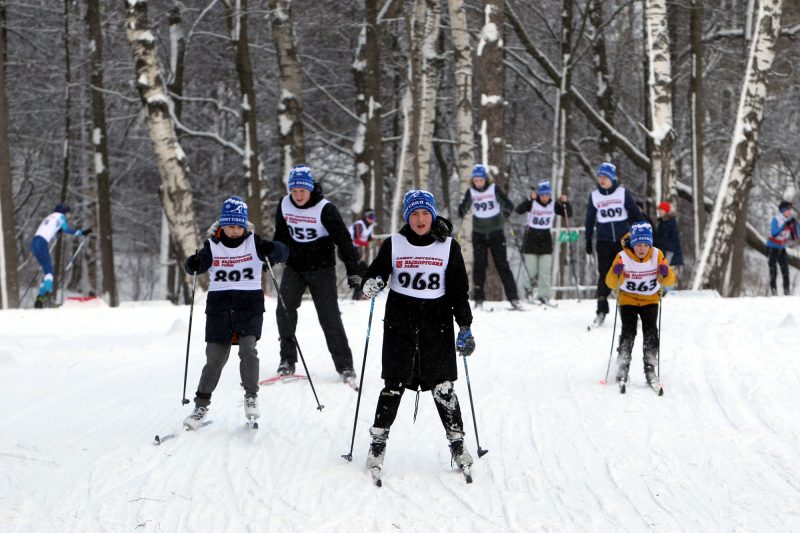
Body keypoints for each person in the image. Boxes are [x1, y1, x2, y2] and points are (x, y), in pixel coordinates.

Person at [360, 189, 475, 480]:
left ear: (433, 215)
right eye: (415, 214)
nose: (420, 219)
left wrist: (465, 326)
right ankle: (378, 442)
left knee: (443, 386)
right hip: (400, 322)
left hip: (436, 323)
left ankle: (457, 442)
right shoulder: (393, 244)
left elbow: (459, 291)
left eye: (425, 213)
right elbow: (375, 274)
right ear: (407, 217)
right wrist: (370, 284)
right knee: (393, 385)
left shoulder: (449, 246)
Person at [182, 196, 289, 430]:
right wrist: (193, 264)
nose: (235, 231)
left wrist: (273, 249)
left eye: (239, 226)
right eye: (230, 226)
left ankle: (251, 395)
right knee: (214, 360)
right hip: (219, 309)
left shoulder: (253, 242)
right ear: (222, 225)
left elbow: (282, 253)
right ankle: (200, 405)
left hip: (249, 307)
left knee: (248, 350)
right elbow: (199, 264)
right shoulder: (212, 245)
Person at [273, 164, 363, 384]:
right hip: (295, 267)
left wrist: (354, 270)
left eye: (302, 191)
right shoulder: (284, 205)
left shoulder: (325, 209)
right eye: (294, 191)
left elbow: (343, 240)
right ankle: (287, 360)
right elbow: (280, 237)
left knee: (329, 316)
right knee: (284, 310)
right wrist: (270, 256)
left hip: (322, 269)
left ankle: (345, 366)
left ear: (310, 188)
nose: (298, 195)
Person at [605, 222, 676, 386]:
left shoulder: (657, 255)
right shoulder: (622, 256)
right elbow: (610, 283)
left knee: (651, 332)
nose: (642, 248)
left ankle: (650, 368)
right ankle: (623, 366)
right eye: (638, 244)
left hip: (650, 299)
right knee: (628, 332)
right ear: (632, 243)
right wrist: (616, 272)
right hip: (628, 299)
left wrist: (666, 273)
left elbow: (670, 280)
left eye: (645, 245)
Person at [585, 162, 643, 327]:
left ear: (611, 178)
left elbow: (636, 214)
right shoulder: (595, 196)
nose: (601, 180)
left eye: (604, 177)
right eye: (600, 177)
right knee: (604, 276)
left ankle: (629, 310)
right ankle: (601, 311)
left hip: (622, 242)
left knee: (625, 276)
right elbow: (589, 220)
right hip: (603, 242)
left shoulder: (622, 193)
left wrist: (645, 233)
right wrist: (588, 239)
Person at [457, 163, 521, 309]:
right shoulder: (471, 192)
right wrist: (461, 210)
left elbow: (508, 204)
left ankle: (513, 298)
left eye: (481, 180)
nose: (478, 182)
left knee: (502, 265)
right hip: (478, 233)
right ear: (473, 180)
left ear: (486, 179)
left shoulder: (493, 189)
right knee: (479, 265)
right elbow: (464, 206)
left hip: (496, 231)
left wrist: (506, 211)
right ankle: (478, 299)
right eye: (476, 180)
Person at [513, 180, 572, 304]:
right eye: (543, 195)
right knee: (531, 269)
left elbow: (568, 214)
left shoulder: (553, 205)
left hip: (545, 238)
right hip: (531, 237)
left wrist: (566, 203)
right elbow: (519, 210)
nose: (545, 198)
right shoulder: (533, 203)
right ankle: (528, 291)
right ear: (539, 194)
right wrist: (529, 200)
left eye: (547, 195)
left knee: (545, 270)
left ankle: (544, 295)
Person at [30, 203, 91, 308]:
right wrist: (82, 232)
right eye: (68, 213)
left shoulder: (50, 216)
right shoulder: (60, 216)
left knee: (47, 274)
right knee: (49, 274)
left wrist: (58, 230)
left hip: (34, 243)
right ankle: (47, 298)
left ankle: (39, 301)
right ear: (64, 212)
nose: (69, 216)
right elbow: (67, 229)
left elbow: (50, 227)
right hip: (42, 243)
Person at [765, 200, 798, 296]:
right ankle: (774, 292)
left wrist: (795, 226)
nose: (790, 212)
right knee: (773, 271)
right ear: (783, 210)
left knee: (785, 272)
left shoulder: (789, 220)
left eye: (790, 210)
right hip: (771, 248)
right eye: (788, 210)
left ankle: (787, 294)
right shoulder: (776, 219)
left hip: (781, 248)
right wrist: (785, 225)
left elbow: (795, 237)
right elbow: (774, 233)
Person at [349, 209, 378, 300]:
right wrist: (368, 243)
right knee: (361, 270)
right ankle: (358, 294)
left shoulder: (369, 227)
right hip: (346, 250)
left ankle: (360, 294)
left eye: (373, 216)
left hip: (354, 251)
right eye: (370, 216)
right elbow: (356, 240)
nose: (372, 219)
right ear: (365, 217)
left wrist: (375, 240)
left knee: (364, 270)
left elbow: (367, 238)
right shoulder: (359, 224)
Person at [655, 201, 684, 282]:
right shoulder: (661, 222)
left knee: (668, 278)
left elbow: (674, 239)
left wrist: (669, 253)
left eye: (661, 210)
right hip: (663, 254)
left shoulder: (671, 222)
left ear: (666, 211)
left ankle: (668, 292)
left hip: (671, 256)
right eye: (659, 210)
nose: (659, 211)